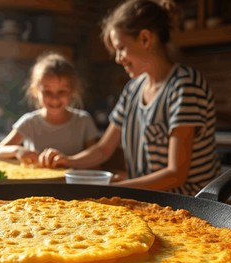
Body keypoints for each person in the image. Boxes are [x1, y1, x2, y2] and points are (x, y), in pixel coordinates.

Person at [42, 0, 220, 195]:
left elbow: (175, 174)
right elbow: (104, 149)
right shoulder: (133, 89)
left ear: (145, 39)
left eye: (121, 48)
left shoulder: (184, 86)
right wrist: (68, 160)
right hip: (151, 202)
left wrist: (113, 189)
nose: (118, 58)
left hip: (191, 208)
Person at [0, 52, 99, 166]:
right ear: (35, 91)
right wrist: (17, 151)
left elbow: (96, 160)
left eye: (61, 92)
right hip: (37, 183)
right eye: (47, 92)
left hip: (73, 183)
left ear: (72, 91)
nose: (55, 98)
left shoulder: (83, 120)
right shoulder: (29, 122)